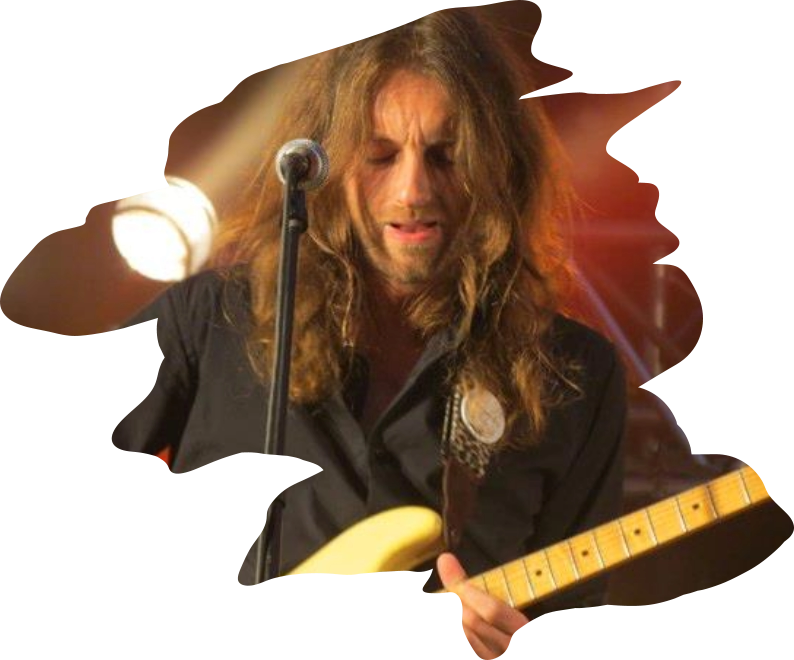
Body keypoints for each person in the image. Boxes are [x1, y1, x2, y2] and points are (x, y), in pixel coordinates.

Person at [112, 8, 627, 659]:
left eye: (446, 156)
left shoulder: (573, 374)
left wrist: (515, 645)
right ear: (322, 164)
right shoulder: (208, 319)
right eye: (380, 155)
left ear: (500, 166)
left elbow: (573, 622)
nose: (413, 190)